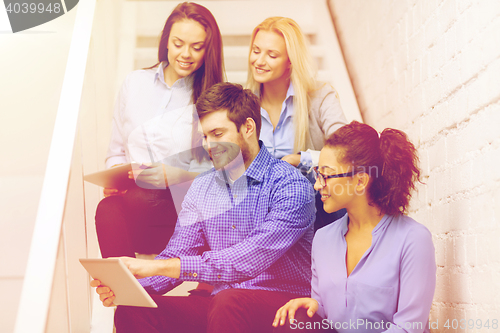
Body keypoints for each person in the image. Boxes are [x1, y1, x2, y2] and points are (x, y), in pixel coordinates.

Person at [91, 82, 316, 333]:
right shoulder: (203, 187)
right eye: (205, 136)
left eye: (217, 134)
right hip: (223, 306)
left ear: (248, 128)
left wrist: (154, 266)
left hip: (284, 308)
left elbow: (246, 261)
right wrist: (127, 290)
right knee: (133, 310)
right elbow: (178, 252)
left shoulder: (292, 186)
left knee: (227, 300)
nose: (208, 145)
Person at [273, 121, 436, 333]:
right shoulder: (322, 239)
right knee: (293, 322)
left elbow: (408, 328)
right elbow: (327, 313)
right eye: (317, 173)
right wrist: (313, 309)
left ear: (360, 181)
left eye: (326, 175)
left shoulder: (413, 239)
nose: (317, 185)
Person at [95, 2, 225, 258]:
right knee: (108, 208)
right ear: (166, 41)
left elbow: (230, 163)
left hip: (185, 207)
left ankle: (138, 285)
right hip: (138, 206)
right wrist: (114, 177)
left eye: (196, 47)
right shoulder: (134, 84)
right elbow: (117, 150)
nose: (186, 54)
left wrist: (178, 174)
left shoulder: (216, 97)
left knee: (139, 197)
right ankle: (127, 293)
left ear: (208, 50)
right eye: (178, 44)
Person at [246, 16, 348, 230]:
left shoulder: (321, 97)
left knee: (337, 189)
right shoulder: (241, 104)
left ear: (290, 61)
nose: (259, 61)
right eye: (256, 51)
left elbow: (347, 152)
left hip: (312, 202)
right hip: (259, 207)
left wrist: (299, 159)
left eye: (271, 55)